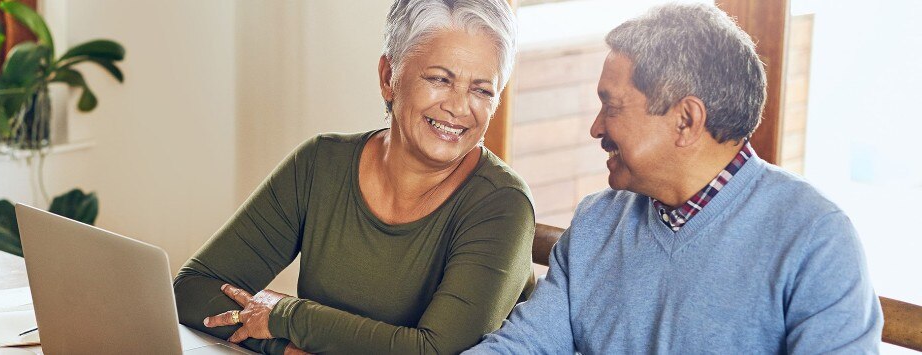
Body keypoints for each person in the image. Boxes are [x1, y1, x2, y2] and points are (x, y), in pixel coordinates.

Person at [463, 3, 883, 354]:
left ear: (686, 120)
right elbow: (523, 346)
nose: (596, 128)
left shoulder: (816, 239)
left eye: (612, 107)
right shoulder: (597, 221)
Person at [173, 0, 533, 354]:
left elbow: (436, 350)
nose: (458, 107)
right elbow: (191, 291)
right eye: (440, 78)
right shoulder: (320, 164)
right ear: (387, 77)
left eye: (482, 90)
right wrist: (282, 347)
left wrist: (289, 317)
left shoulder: (504, 205)